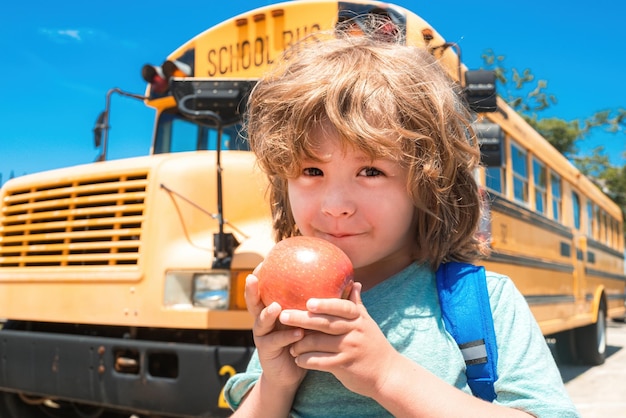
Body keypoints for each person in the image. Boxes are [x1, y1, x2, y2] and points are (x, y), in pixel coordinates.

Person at [223, 21, 580, 418]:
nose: (336, 204)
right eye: (311, 172)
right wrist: (277, 383)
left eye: (371, 172)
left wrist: (386, 375)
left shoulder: (481, 302)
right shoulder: (293, 298)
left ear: (428, 184)